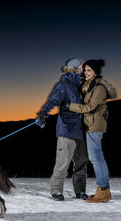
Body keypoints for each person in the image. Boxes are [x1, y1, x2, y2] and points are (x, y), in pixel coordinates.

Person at [61, 59, 117, 203]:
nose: (85, 73)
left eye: (89, 70)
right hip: (91, 124)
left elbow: (90, 107)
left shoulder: (98, 87)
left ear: (95, 72)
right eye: (85, 70)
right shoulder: (89, 85)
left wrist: (70, 106)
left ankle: (103, 190)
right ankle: (104, 190)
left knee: (95, 158)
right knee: (98, 157)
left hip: (95, 126)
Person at [36, 58, 89, 201]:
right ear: (75, 68)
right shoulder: (64, 85)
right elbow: (53, 100)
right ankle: (56, 190)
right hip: (67, 129)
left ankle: (80, 191)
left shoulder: (83, 86)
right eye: (83, 66)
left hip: (81, 130)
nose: (85, 68)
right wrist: (43, 113)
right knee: (63, 162)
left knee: (82, 162)